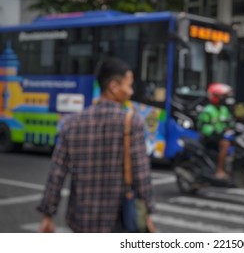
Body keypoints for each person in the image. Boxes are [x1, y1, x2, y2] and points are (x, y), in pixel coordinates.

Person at [37, 57, 156, 233]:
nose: (131, 92)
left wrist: (48, 214)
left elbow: (56, 174)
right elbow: (141, 175)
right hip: (117, 220)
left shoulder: (72, 123)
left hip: (81, 219)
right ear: (113, 87)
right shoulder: (132, 123)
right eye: (128, 85)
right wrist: (148, 213)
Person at [197, 83, 235, 180]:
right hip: (210, 137)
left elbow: (229, 122)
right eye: (221, 96)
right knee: (225, 144)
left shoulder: (224, 109)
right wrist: (216, 132)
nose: (224, 98)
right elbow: (204, 127)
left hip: (221, 135)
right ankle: (219, 170)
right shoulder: (208, 110)